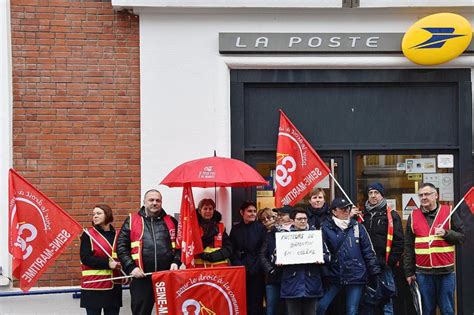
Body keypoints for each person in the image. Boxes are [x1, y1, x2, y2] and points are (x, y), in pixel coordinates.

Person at [403, 183, 465, 315]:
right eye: (421, 195)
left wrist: (446, 233)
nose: (423, 197)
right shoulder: (413, 216)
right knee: (427, 310)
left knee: (447, 309)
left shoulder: (449, 212)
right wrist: (408, 272)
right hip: (423, 273)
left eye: (427, 194)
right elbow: (408, 246)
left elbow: (462, 238)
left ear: (435, 195)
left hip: (446, 272)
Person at [116, 189, 181, 315]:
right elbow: (121, 247)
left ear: (161, 203)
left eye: (158, 200)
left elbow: (181, 245)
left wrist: (176, 261)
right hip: (141, 278)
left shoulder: (171, 221)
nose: (154, 203)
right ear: (144, 202)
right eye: (151, 200)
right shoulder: (132, 220)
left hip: (166, 277)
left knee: (170, 312)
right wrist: (131, 267)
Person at [317, 198, 381, 315]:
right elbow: (321, 251)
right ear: (334, 211)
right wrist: (327, 270)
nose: (346, 211)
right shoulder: (325, 228)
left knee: (352, 310)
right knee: (321, 306)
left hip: (356, 275)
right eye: (342, 209)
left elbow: (368, 251)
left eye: (348, 208)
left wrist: (375, 272)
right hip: (335, 275)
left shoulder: (358, 227)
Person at [359, 183, 403, 314]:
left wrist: (388, 263)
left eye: (376, 193)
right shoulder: (362, 216)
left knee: (387, 299)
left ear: (382, 195)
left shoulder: (392, 216)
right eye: (370, 193)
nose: (373, 196)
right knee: (367, 301)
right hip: (366, 266)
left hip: (384, 266)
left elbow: (399, 242)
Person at [280, 208, 326, 315]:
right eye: (299, 219)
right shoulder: (284, 237)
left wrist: (321, 259)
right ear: (292, 221)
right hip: (292, 284)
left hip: (311, 283)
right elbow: (274, 257)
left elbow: (327, 255)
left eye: (305, 218)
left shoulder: (315, 235)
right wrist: (279, 261)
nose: (303, 221)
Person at [80, 205, 123, 315]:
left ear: (107, 215)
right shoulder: (88, 235)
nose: (95, 216)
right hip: (94, 285)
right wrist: (108, 264)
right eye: (93, 214)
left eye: (99, 213)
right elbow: (86, 258)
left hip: (114, 286)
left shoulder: (118, 235)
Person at [230, 201, 267, 315]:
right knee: (240, 301)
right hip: (240, 271)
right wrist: (238, 264)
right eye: (249, 211)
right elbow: (231, 249)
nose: (253, 214)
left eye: (254, 211)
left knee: (256, 303)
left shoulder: (261, 228)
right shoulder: (235, 229)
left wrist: (256, 266)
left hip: (257, 271)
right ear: (242, 212)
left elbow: (264, 249)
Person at [258, 207, 284, 315]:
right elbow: (262, 255)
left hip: (287, 276)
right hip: (272, 277)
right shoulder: (264, 235)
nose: (267, 221)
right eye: (263, 220)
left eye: (269, 217)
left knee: (286, 308)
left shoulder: (284, 230)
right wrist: (270, 270)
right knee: (271, 307)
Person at [194, 198, 232, 267]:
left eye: (210, 209)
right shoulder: (193, 227)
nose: (208, 211)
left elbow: (228, 249)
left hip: (219, 269)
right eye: (205, 209)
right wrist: (204, 255)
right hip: (200, 270)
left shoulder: (221, 227)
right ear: (199, 211)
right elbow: (191, 247)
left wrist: (214, 256)